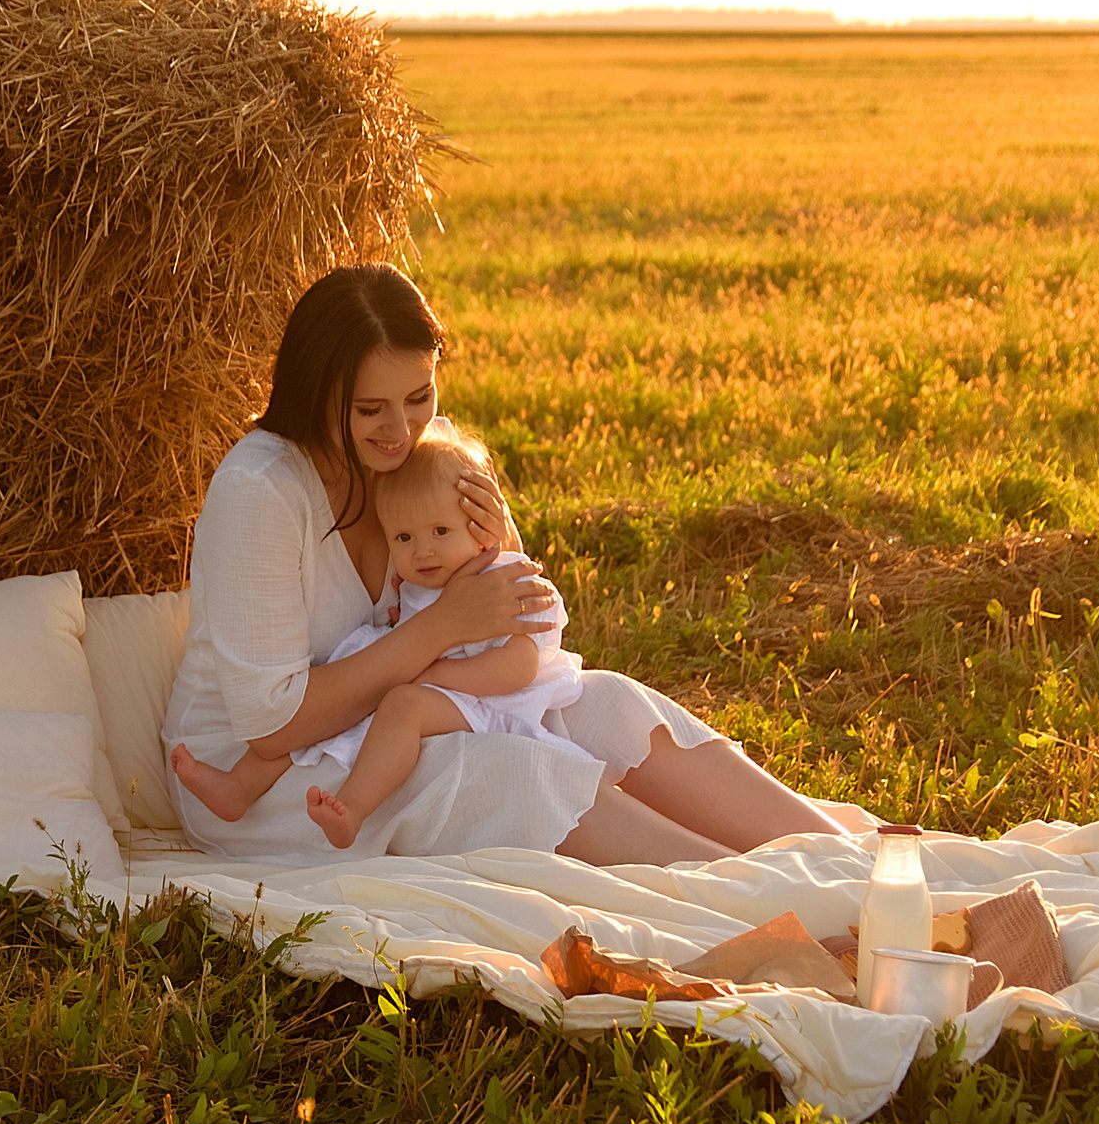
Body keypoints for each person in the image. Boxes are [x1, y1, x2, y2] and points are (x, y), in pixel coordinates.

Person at [160, 262, 848, 866]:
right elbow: (273, 724)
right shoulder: (261, 490)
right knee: (514, 768)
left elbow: (516, 620)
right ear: (317, 394)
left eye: (418, 397)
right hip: (276, 782)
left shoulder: (417, 460)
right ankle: (764, 892)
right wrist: (436, 633)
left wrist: (497, 544)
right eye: (370, 409)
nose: (402, 431)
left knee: (604, 701)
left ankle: (843, 857)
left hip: (405, 712)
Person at [172, 422, 591, 848]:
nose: (422, 550)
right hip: (421, 687)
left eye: (440, 533)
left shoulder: (500, 578)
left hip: (481, 697)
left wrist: (431, 672)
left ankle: (352, 805)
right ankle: (241, 786)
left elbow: (519, 666)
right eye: (403, 538)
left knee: (402, 705)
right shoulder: (414, 580)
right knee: (331, 703)